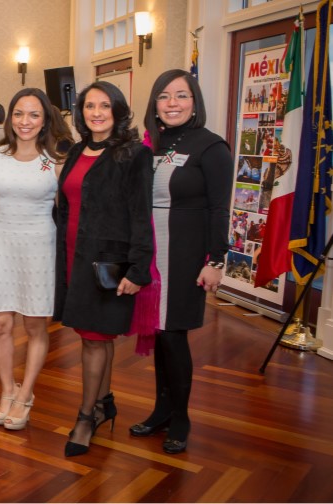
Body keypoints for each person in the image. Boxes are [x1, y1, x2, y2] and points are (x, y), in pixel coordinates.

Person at [133, 69, 233, 454]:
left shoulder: (211, 147)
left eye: (181, 95)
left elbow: (219, 209)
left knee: (173, 335)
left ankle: (181, 418)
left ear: (195, 102)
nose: (172, 103)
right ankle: (161, 409)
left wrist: (217, 260)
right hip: (151, 253)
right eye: (164, 96)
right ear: (154, 104)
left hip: (187, 255)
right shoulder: (149, 145)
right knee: (158, 333)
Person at [55, 81, 154, 457]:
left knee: (95, 338)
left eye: (105, 106)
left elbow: (141, 216)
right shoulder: (79, 149)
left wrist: (137, 269)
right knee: (97, 336)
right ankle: (103, 402)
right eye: (89, 106)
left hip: (107, 263)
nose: (96, 113)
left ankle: (84, 417)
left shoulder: (133, 154)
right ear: (80, 112)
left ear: (118, 111)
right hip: (73, 256)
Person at [0, 88, 72, 431]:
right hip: (1, 244)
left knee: (35, 326)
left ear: (45, 120)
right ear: (10, 118)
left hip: (40, 247)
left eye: (34, 115)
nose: (25, 121)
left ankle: (26, 394)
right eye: (19, 113)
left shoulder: (55, 162)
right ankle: (7, 390)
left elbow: (68, 211)